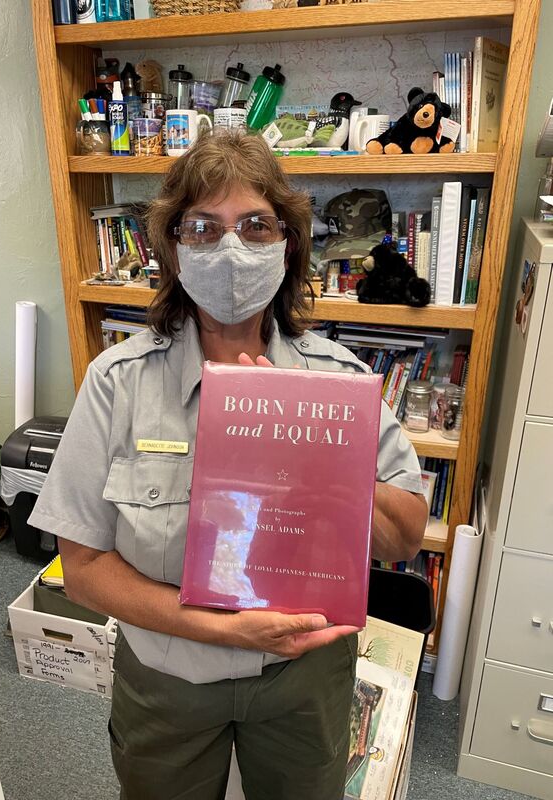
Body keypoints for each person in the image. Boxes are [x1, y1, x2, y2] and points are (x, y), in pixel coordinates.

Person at [29, 130, 427, 800]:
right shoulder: (117, 383)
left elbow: (403, 538)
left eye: (255, 225)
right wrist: (215, 627)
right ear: (174, 250)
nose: (232, 249)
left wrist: (314, 445)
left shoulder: (340, 382)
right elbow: (86, 569)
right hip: (167, 677)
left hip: (303, 682)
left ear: (289, 244)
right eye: (204, 228)